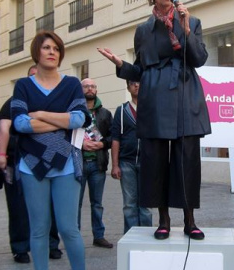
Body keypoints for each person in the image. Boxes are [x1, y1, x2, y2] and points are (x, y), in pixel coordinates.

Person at [98, 0, 210, 240]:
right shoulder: (142, 30)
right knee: (155, 159)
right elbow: (140, 70)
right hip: (154, 97)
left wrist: (186, 29)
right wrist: (121, 65)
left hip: (184, 93)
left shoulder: (191, 20)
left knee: (186, 158)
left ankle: (190, 221)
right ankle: (164, 220)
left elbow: (199, 59)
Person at [11, 31, 90, 270]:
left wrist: (42, 115)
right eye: (47, 48)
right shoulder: (23, 85)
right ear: (37, 52)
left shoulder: (71, 84)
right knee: (39, 229)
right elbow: (20, 123)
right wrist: (61, 121)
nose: (52, 52)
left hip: (66, 162)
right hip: (31, 164)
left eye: (56, 48)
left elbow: (79, 119)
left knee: (69, 229)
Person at [0, 65, 64, 264]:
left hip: (49, 160)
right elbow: (3, 129)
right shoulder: (13, 103)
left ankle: (51, 244)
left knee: (51, 205)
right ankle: (20, 248)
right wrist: (1, 154)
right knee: (18, 207)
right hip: (18, 161)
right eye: (33, 77)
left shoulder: (56, 102)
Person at [111, 80, 153, 234]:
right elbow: (115, 138)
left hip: (147, 162)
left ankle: (147, 236)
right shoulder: (121, 110)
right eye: (133, 83)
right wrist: (115, 165)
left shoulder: (151, 109)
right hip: (126, 162)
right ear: (128, 87)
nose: (137, 85)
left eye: (140, 82)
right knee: (129, 204)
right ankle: (131, 236)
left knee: (146, 203)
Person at [78, 78, 114, 248]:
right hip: (77, 164)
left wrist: (102, 144)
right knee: (75, 204)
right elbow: (66, 135)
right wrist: (80, 143)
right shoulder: (74, 111)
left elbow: (112, 137)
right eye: (86, 86)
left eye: (92, 86)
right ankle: (75, 238)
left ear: (96, 89)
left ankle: (98, 236)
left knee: (97, 204)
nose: (90, 89)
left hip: (98, 165)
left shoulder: (105, 113)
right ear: (81, 89)